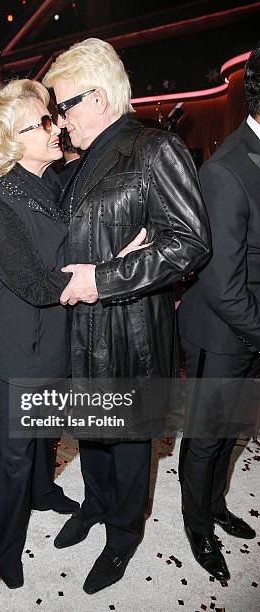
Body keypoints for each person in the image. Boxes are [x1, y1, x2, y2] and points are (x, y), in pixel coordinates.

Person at [42, 37, 211, 595]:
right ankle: (95, 505)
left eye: (64, 106)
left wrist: (106, 277)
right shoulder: (81, 161)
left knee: (130, 440)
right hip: (80, 330)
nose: (59, 122)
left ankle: (123, 537)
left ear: (100, 97)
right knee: (92, 433)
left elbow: (190, 242)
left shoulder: (155, 149)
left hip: (131, 333)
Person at [0, 79, 83, 589]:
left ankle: (42, 492)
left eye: (52, 118)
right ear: (11, 139)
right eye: (44, 122)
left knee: (45, 429)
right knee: (13, 454)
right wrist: (110, 270)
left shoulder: (46, 182)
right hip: (9, 350)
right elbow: (37, 284)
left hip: (43, 338)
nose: (56, 128)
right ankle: (5, 544)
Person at [177, 42, 260, 581]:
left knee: (231, 433)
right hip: (224, 332)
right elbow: (224, 285)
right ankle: (196, 524)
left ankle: (216, 505)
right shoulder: (226, 169)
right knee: (206, 439)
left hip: (250, 330)